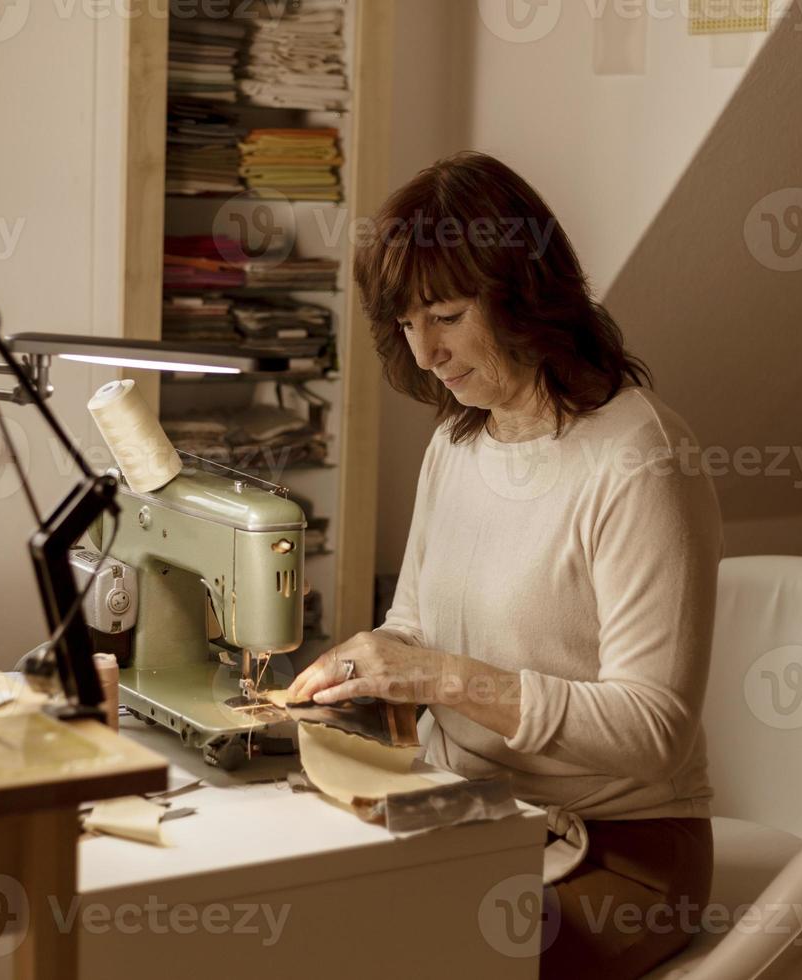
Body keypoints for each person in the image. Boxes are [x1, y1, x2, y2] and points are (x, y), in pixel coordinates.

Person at [287, 152, 722, 979]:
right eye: (408, 324)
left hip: (624, 850)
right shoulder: (460, 439)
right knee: (295, 918)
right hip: (478, 814)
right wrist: (356, 671)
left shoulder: (638, 459)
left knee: (413, 960)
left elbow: (655, 730)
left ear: (526, 295)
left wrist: (444, 679)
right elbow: (413, 626)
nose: (426, 354)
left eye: (446, 316)